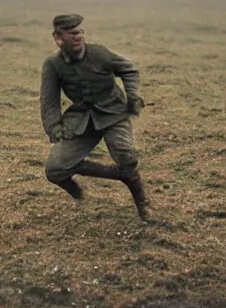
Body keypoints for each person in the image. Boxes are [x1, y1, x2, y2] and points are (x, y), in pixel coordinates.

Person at [39, 14, 151, 221]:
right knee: (55, 170)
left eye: (81, 32)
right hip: (81, 121)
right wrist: (53, 127)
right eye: (73, 33)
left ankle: (143, 205)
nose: (79, 36)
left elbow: (129, 69)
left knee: (126, 157)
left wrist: (133, 96)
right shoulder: (52, 64)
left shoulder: (100, 53)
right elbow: (49, 100)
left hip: (114, 114)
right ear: (57, 38)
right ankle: (81, 197)